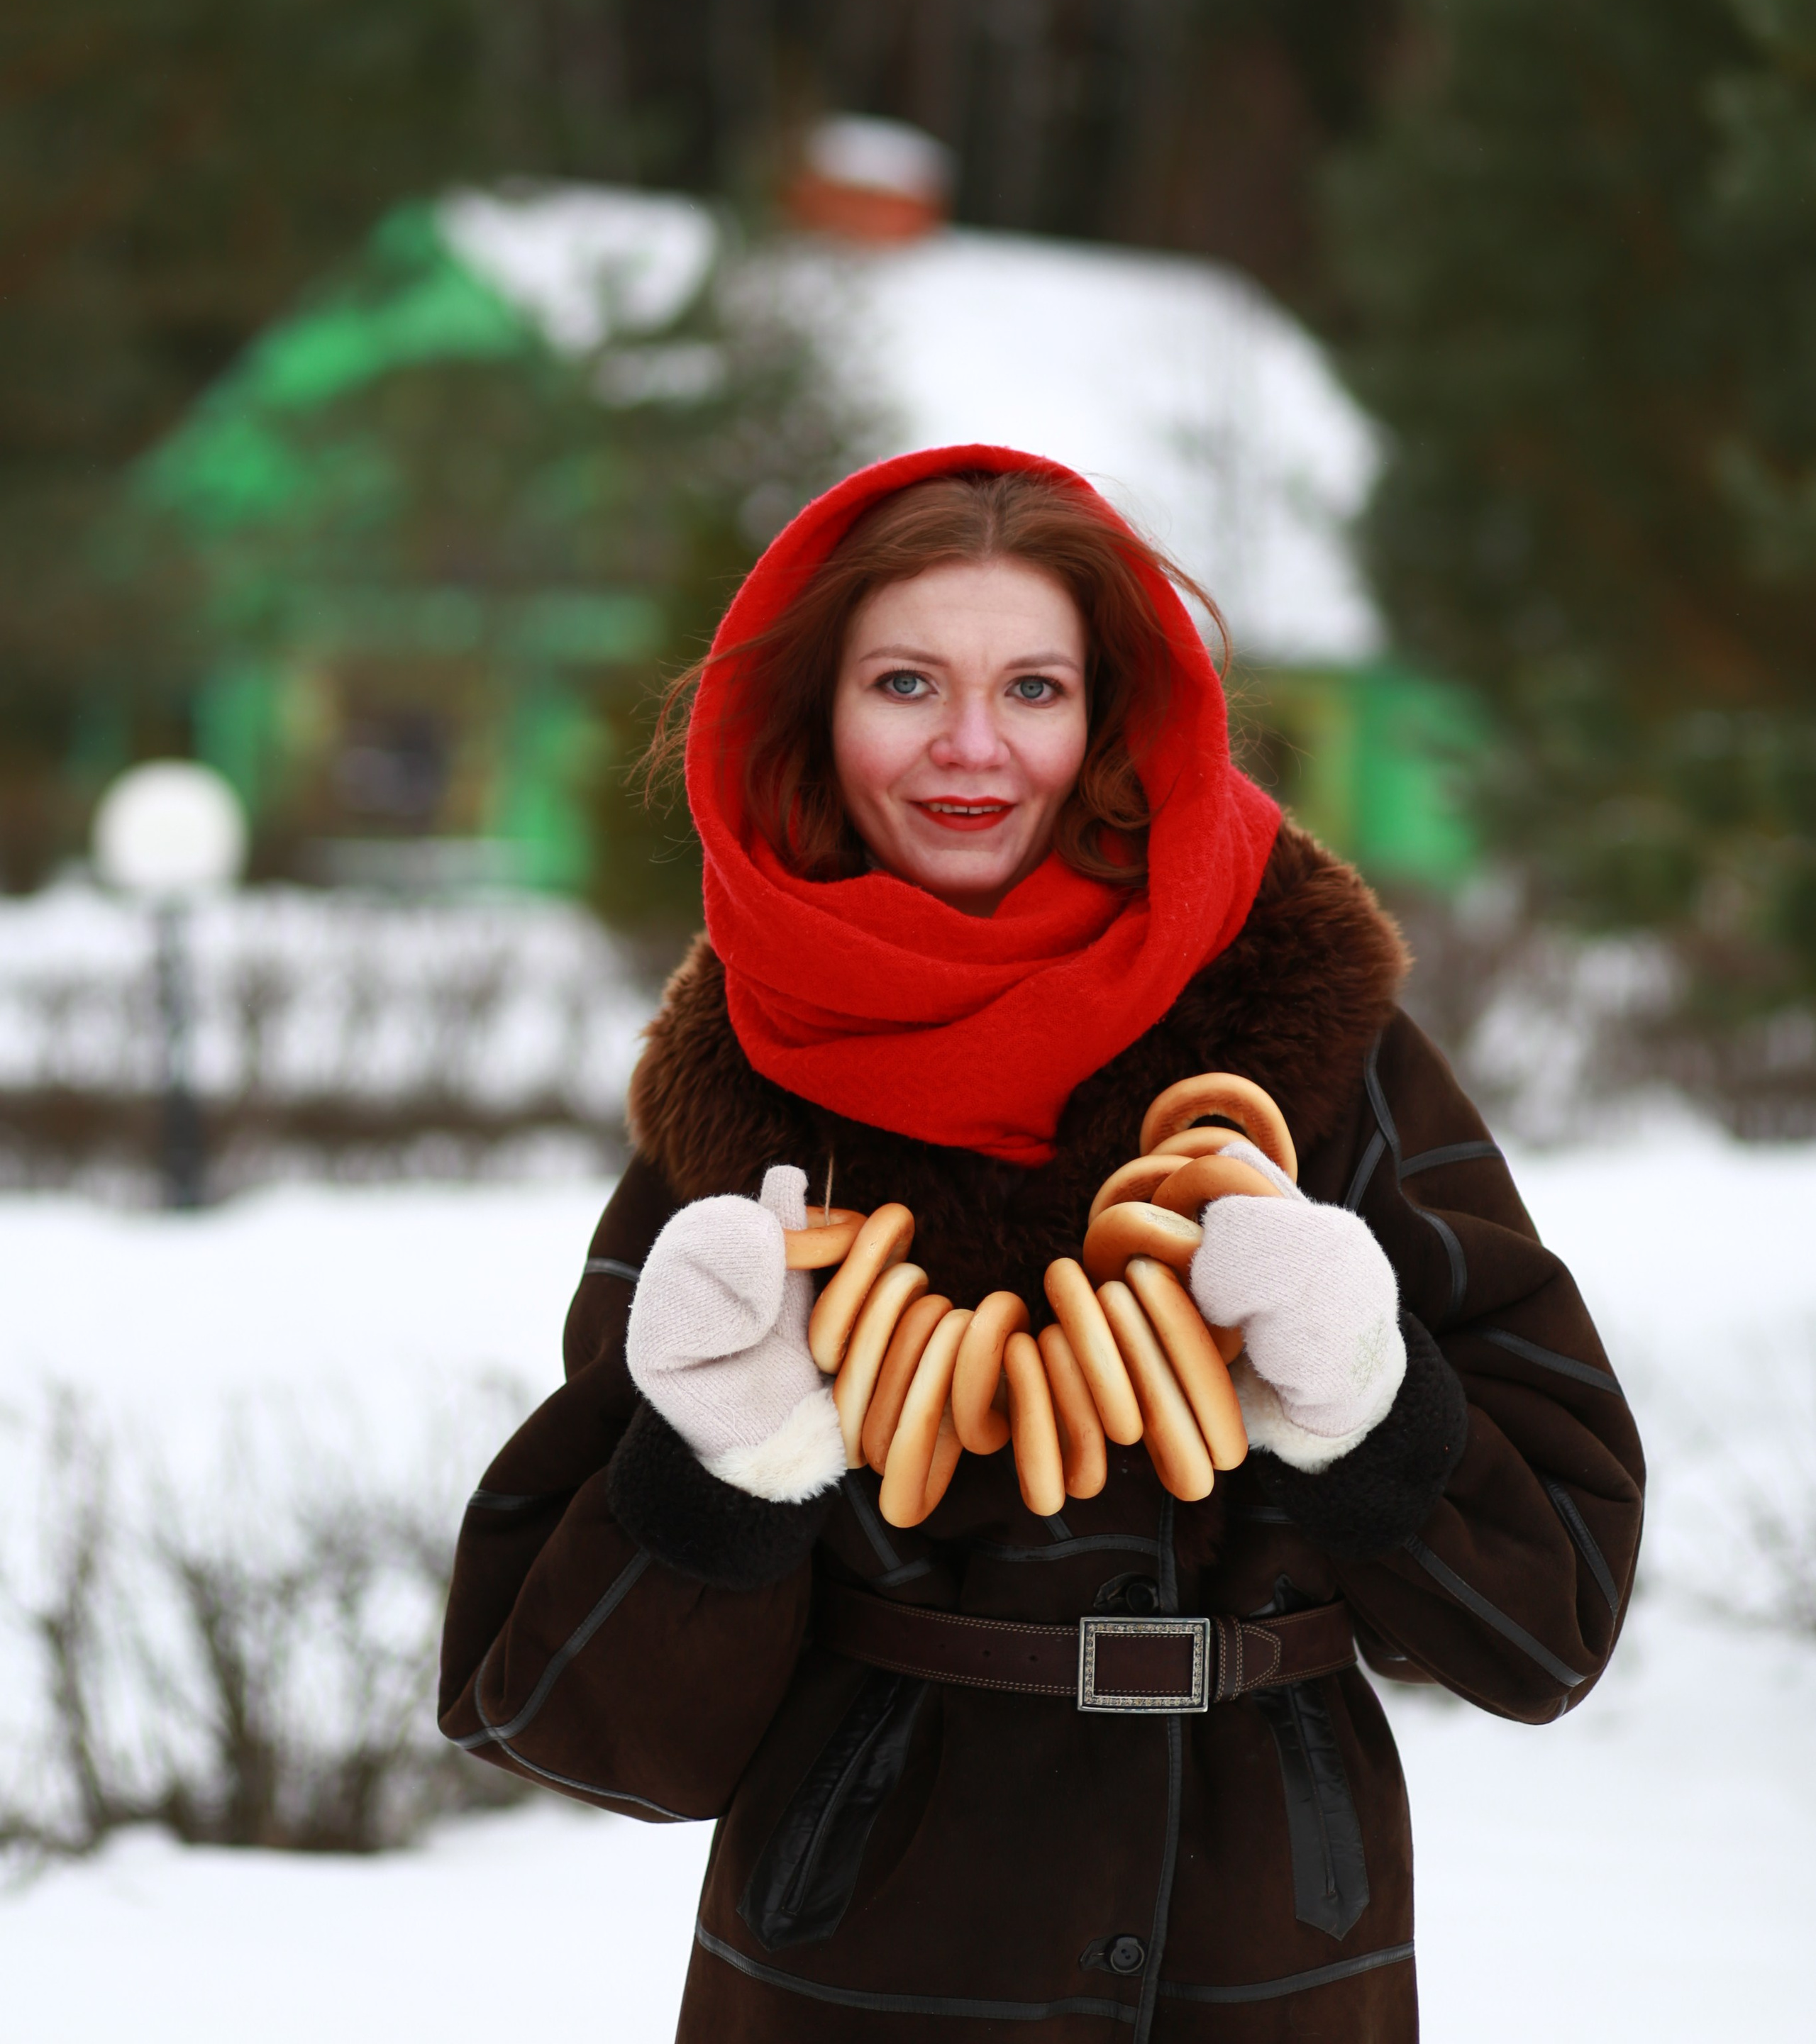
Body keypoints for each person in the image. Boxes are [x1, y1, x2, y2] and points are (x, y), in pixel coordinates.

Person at [439, 445, 1644, 2043]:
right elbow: (573, 1725)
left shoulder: (1307, 1053)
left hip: (1269, 1930)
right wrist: (720, 1468)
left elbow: (1547, 1624)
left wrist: (1369, 1394)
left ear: (1107, 719)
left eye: (1030, 688)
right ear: (812, 712)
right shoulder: (749, 1111)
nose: (967, 748)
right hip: (859, 1950)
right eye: (903, 682)